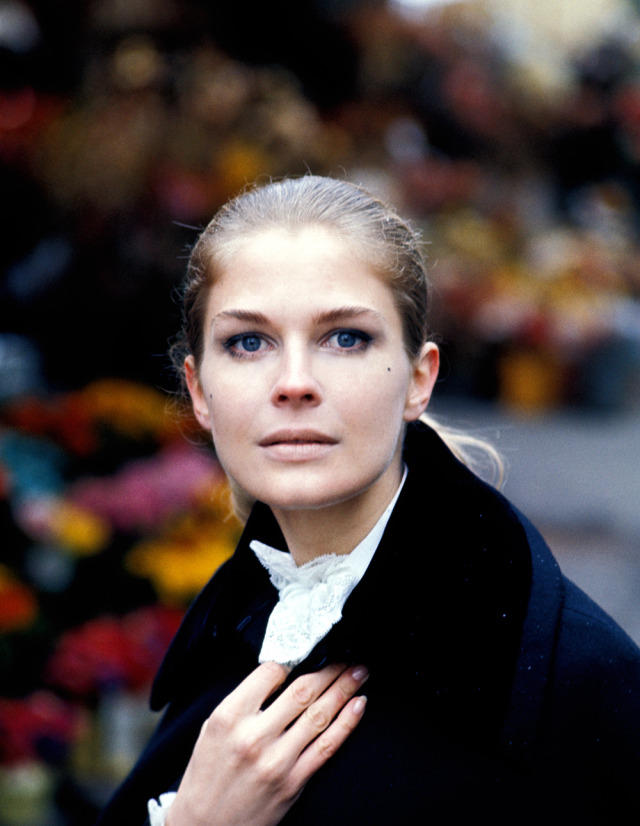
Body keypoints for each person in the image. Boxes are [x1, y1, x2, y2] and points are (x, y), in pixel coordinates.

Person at [97, 176, 640, 826]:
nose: (294, 383)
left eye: (345, 337)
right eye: (249, 342)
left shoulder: (577, 685)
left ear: (419, 379)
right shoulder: (227, 644)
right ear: (200, 392)